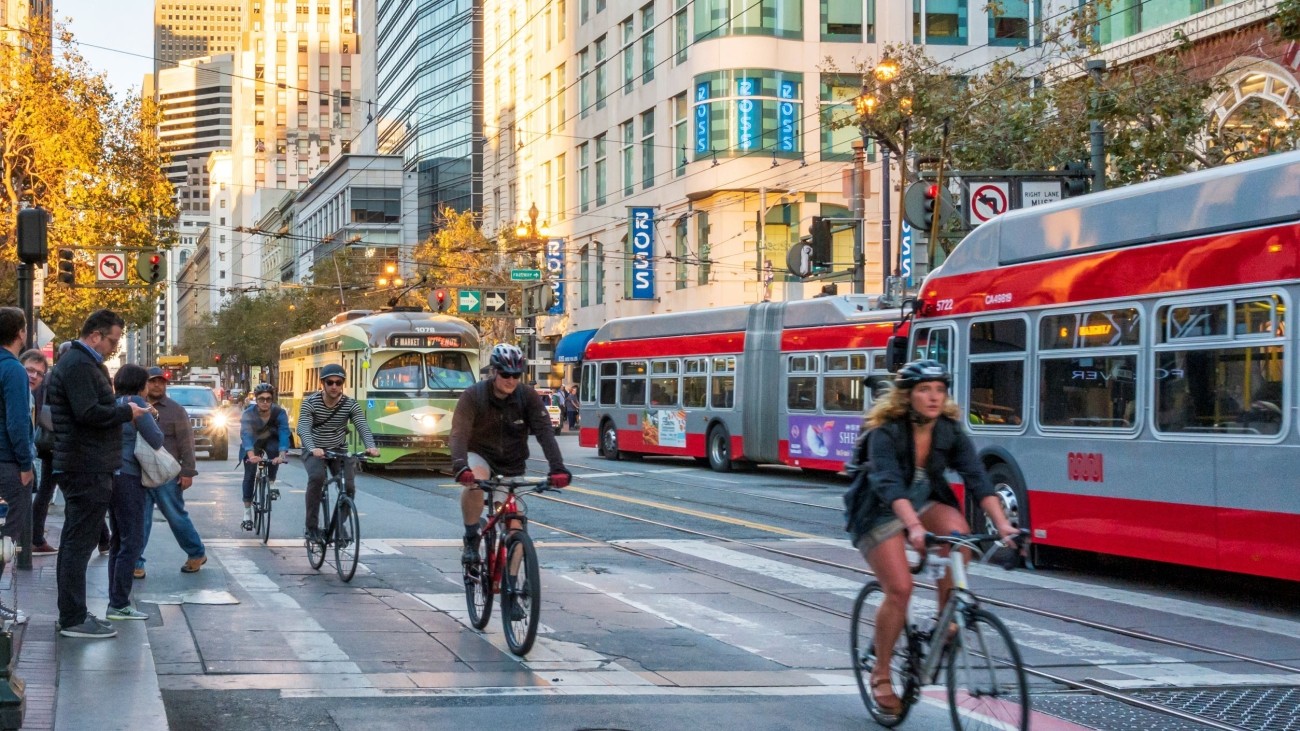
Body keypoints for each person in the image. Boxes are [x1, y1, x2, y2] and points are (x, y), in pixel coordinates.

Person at [844, 359, 1018, 716]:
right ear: (906, 396)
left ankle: (946, 619)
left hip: (924, 502)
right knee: (901, 588)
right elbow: (888, 483)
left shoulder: (949, 430)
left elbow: (978, 479)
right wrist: (914, 527)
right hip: (877, 509)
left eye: (940, 390)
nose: (934, 397)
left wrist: (1003, 524)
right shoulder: (885, 432)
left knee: (959, 534)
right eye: (925, 389)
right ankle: (880, 673)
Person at [46, 309, 149, 639]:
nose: (114, 347)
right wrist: (126, 412)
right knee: (79, 543)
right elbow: (88, 412)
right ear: (95, 336)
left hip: (87, 463)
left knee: (78, 541)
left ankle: (74, 613)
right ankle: (73, 617)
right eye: (113, 340)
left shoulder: (82, 363)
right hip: (84, 465)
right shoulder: (78, 365)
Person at [450, 344, 571, 566]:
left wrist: (558, 468)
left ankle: (514, 591)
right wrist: (460, 465)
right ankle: (470, 537)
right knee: (476, 480)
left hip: (512, 464)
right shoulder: (473, 396)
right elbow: (459, 434)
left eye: (516, 375)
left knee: (515, 527)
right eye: (506, 374)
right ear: (494, 372)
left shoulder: (527, 397)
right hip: (481, 454)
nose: (511, 380)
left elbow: (545, 433)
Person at [106, 364, 164, 622]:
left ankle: (115, 599)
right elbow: (156, 439)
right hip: (130, 476)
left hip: (112, 475)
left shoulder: (114, 402)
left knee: (117, 540)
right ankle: (119, 603)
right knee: (132, 541)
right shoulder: (138, 405)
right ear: (140, 385)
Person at [136, 367, 206, 578]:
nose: (157, 385)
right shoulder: (137, 407)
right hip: (141, 472)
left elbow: (187, 443)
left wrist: (188, 471)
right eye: (152, 381)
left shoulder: (176, 410)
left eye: (161, 382)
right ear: (145, 384)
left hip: (167, 475)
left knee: (176, 516)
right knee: (141, 519)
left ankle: (196, 553)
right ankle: (136, 562)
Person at [295, 364, 378, 542]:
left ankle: (339, 527)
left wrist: (370, 446)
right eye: (330, 382)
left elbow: (362, 426)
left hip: (338, 449)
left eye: (338, 382)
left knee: (348, 487)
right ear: (322, 383)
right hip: (314, 449)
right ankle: (312, 528)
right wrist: (312, 448)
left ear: (342, 384)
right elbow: (303, 428)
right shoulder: (310, 403)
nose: (334, 386)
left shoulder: (350, 404)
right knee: (317, 478)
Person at [0, 308, 36, 625]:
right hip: (8, 465)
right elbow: (16, 421)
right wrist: (26, 464)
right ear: (21, 333)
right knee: (5, 538)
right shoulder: (12, 370)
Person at [238, 382, 289, 530]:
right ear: (256, 399)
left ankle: (271, 481)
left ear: (272, 399)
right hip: (253, 442)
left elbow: (284, 432)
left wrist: (282, 454)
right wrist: (251, 455)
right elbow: (246, 435)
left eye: (268, 399)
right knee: (249, 474)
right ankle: (247, 513)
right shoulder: (248, 413)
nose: (265, 402)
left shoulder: (279, 413)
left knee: (274, 452)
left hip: (271, 440)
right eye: (261, 399)